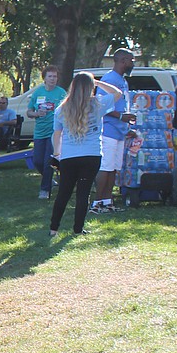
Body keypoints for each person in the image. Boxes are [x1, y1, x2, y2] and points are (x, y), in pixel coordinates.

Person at [50, 73, 125, 237]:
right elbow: (118, 93)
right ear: (91, 87)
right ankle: (78, 229)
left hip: (69, 156)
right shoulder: (98, 104)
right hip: (91, 155)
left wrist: (57, 152)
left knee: (64, 192)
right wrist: (98, 82)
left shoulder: (62, 108)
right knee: (83, 193)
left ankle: (53, 228)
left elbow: (56, 134)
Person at [93, 49, 138, 213]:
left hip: (120, 132)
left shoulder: (123, 80)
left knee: (114, 168)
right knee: (105, 167)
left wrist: (127, 127)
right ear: (123, 60)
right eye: (132, 60)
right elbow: (99, 104)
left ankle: (107, 202)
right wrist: (120, 117)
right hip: (108, 131)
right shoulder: (109, 79)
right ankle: (96, 204)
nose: (133, 64)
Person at [27, 67, 68, 200]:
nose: (52, 79)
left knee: (48, 161)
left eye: (55, 77)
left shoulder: (61, 93)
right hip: (40, 132)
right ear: (44, 78)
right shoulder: (38, 93)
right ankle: (48, 178)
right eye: (50, 76)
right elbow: (29, 112)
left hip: (55, 132)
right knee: (37, 161)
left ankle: (45, 190)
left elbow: (67, 110)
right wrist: (37, 113)